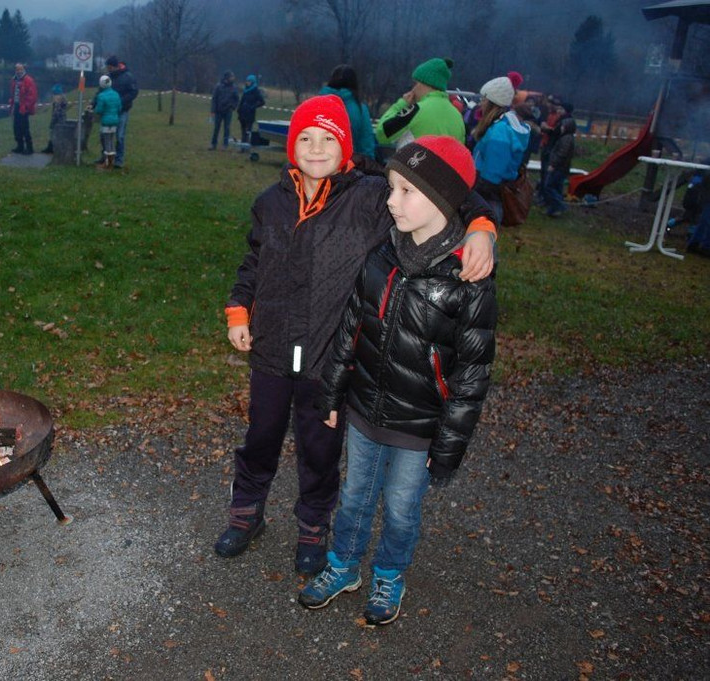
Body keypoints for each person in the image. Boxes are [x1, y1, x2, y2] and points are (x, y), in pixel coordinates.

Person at [215, 95, 498, 577]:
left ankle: (313, 525)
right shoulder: (270, 203)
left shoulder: (370, 199)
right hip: (272, 347)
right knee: (260, 435)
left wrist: (482, 227)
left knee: (319, 447)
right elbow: (253, 261)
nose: (315, 148)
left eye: (328, 138)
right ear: (291, 144)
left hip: (326, 353)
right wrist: (239, 310)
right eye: (305, 137)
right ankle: (246, 511)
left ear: (345, 146)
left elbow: (445, 189)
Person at [298, 135, 497, 626]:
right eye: (391, 188)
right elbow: (352, 325)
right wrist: (333, 391)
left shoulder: (468, 279)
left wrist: (449, 444)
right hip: (366, 410)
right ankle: (344, 565)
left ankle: (389, 573)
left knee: (403, 507)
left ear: (443, 200)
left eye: (407, 191)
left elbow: (472, 373)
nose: (392, 201)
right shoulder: (382, 254)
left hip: (419, 425)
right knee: (355, 496)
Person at [469, 76, 531, 224]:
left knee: (483, 231)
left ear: (493, 102)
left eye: (484, 99)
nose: (481, 103)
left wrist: (475, 192)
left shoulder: (499, 131)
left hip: (488, 196)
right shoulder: (501, 126)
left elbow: (493, 172)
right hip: (491, 193)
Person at [375, 57, 465, 150]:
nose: (413, 89)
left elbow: (382, 134)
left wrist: (401, 104)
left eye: (415, 84)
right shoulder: (457, 116)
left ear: (423, 83)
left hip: (415, 159)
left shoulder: (416, 109)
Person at [320, 64, 378, 164]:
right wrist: (368, 163)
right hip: (349, 164)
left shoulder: (316, 104)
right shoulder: (360, 109)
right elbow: (366, 141)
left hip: (318, 161)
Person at [540, 102, 576, 217]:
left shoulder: (566, 139)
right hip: (560, 166)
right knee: (555, 186)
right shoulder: (565, 137)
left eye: (562, 126)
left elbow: (561, 154)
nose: (560, 127)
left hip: (559, 167)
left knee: (550, 186)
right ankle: (554, 208)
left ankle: (559, 205)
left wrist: (553, 164)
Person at [104, 55, 138, 168]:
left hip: (123, 110)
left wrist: (120, 102)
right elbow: (101, 91)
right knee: (106, 135)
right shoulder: (108, 77)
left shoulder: (128, 77)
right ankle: (105, 157)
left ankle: (119, 160)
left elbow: (133, 92)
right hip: (109, 111)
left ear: (115, 66)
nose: (108, 69)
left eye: (109, 67)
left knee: (120, 136)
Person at [536, 94, 564, 196]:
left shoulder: (559, 117)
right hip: (545, 144)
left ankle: (546, 195)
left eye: (552, 103)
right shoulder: (548, 114)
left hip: (552, 146)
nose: (550, 105)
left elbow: (557, 131)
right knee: (543, 171)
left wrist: (548, 128)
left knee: (548, 172)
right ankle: (542, 193)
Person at [92, 75, 123, 169]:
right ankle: (112, 162)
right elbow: (119, 108)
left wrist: (94, 110)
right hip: (115, 121)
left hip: (106, 121)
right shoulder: (116, 94)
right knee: (112, 141)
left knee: (106, 142)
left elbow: (99, 110)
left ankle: (107, 164)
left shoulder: (101, 96)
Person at [8, 63, 38, 155]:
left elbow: (33, 96)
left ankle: (29, 148)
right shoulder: (14, 80)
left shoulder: (28, 80)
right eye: (17, 69)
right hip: (16, 106)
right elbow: (13, 94)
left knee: (25, 128)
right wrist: (12, 104)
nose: (19, 71)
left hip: (24, 107)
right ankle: (20, 146)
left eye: (20, 69)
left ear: (23, 69)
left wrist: (26, 106)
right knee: (16, 127)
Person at [210, 71, 239, 150]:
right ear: (227, 78)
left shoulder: (234, 87)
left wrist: (233, 107)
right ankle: (213, 144)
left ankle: (225, 145)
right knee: (216, 128)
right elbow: (214, 99)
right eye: (231, 77)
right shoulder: (218, 86)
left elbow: (237, 99)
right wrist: (213, 110)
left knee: (227, 128)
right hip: (219, 111)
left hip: (228, 111)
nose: (233, 78)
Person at [237, 74, 266, 147]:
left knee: (248, 131)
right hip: (242, 113)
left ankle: (247, 146)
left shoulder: (256, 91)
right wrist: (239, 109)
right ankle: (242, 147)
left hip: (250, 114)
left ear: (252, 82)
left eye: (249, 81)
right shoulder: (245, 90)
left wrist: (253, 107)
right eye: (247, 81)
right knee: (243, 130)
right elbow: (242, 100)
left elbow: (262, 102)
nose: (247, 82)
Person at [40, 84, 69, 155]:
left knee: (56, 135)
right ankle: (51, 147)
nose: (53, 97)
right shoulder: (60, 101)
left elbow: (57, 113)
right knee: (54, 134)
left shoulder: (59, 102)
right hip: (60, 120)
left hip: (58, 121)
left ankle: (54, 148)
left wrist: (53, 122)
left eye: (54, 95)